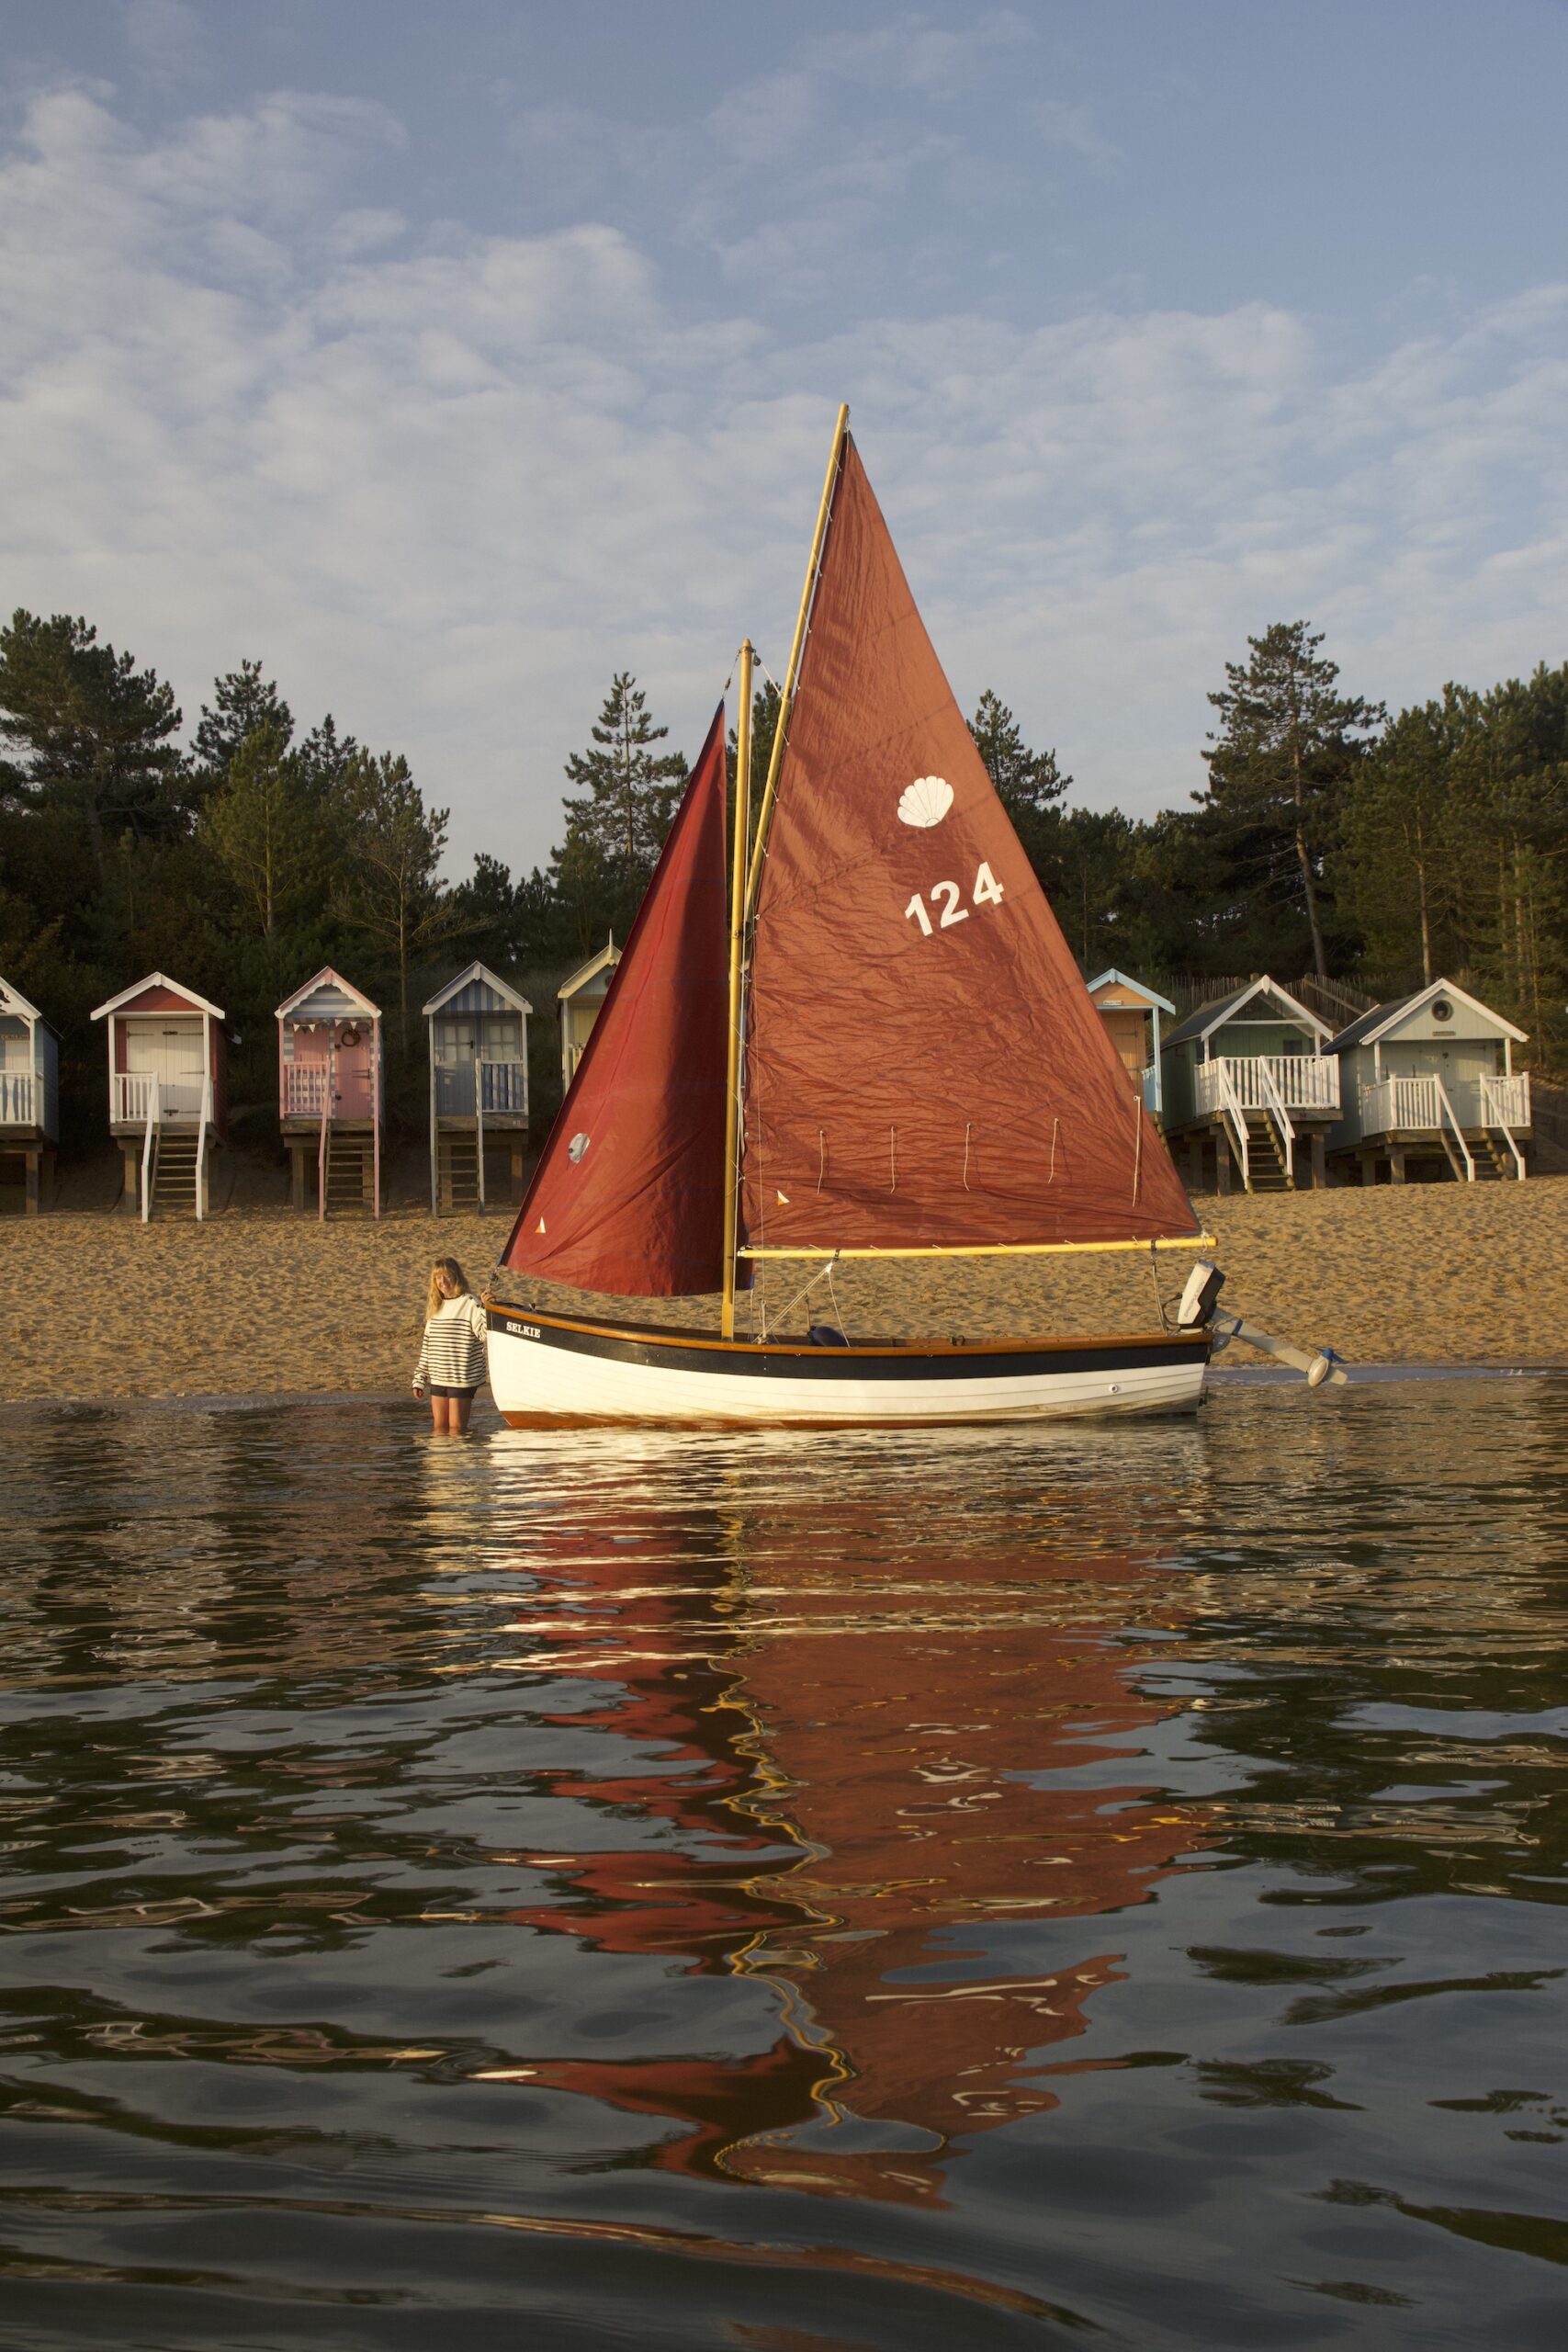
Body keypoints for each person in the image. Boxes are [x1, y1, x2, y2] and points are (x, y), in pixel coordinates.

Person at [412, 1258, 489, 1433]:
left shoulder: (470, 1302)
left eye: (447, 1276)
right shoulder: (435, 1306)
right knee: (439, 1430)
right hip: (438, 1377)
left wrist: (485, 1308)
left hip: (461, 1378)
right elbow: (428, 1348)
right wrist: (419, 1378)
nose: (443, 1282)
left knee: (457, 1431)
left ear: (456, 1276)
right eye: (438, 1278)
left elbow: (484, 1334)